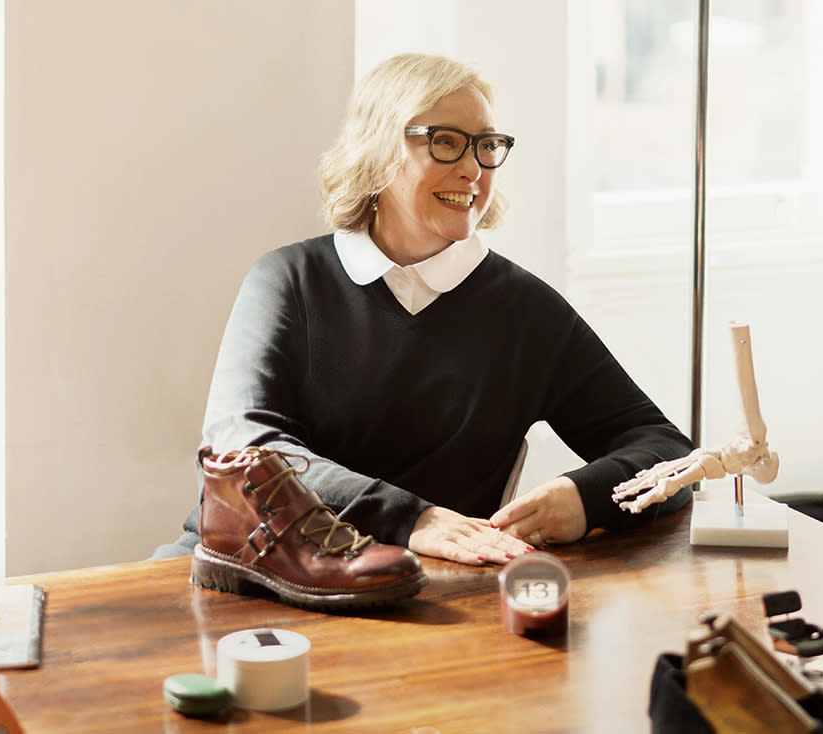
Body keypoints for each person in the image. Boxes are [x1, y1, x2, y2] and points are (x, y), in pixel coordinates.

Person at [155, 52, 692, 567]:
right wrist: (413, 519)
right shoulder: (288, 281)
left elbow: (666, 450)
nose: (473, 169)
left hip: (417, 596)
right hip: (249, 566)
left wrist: (586, 497)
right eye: (446, 143)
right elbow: (244, 449)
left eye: (486, 146)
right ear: (379, 150)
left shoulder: (526, 310)